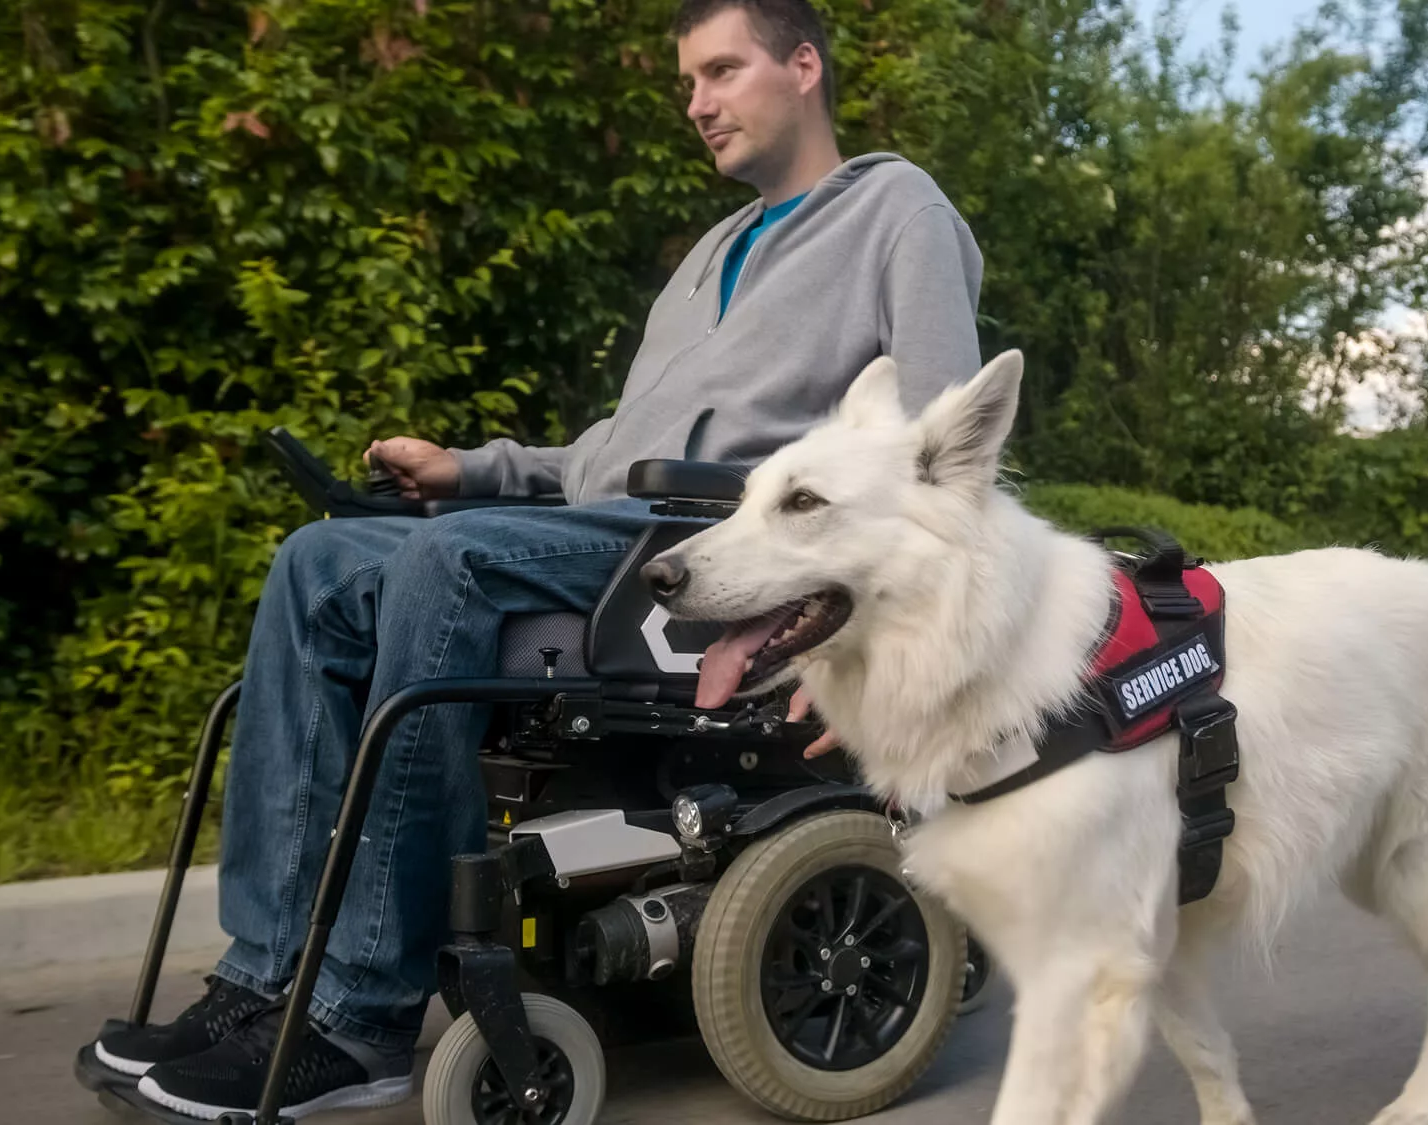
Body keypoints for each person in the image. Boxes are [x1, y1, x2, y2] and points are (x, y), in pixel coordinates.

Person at [88, 0, 983, 1116]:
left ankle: (362, 1015)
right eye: (686, 86)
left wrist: (872, 646)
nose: (696, 106)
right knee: (315, 564)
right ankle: (269, 976)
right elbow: (614, 458)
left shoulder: (898, 208)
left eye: (719, 72)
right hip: (621, 523)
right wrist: (475, 471)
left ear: (803, 66)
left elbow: (941, 459)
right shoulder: (710, 255)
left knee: (444, 569)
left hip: (721, 545)